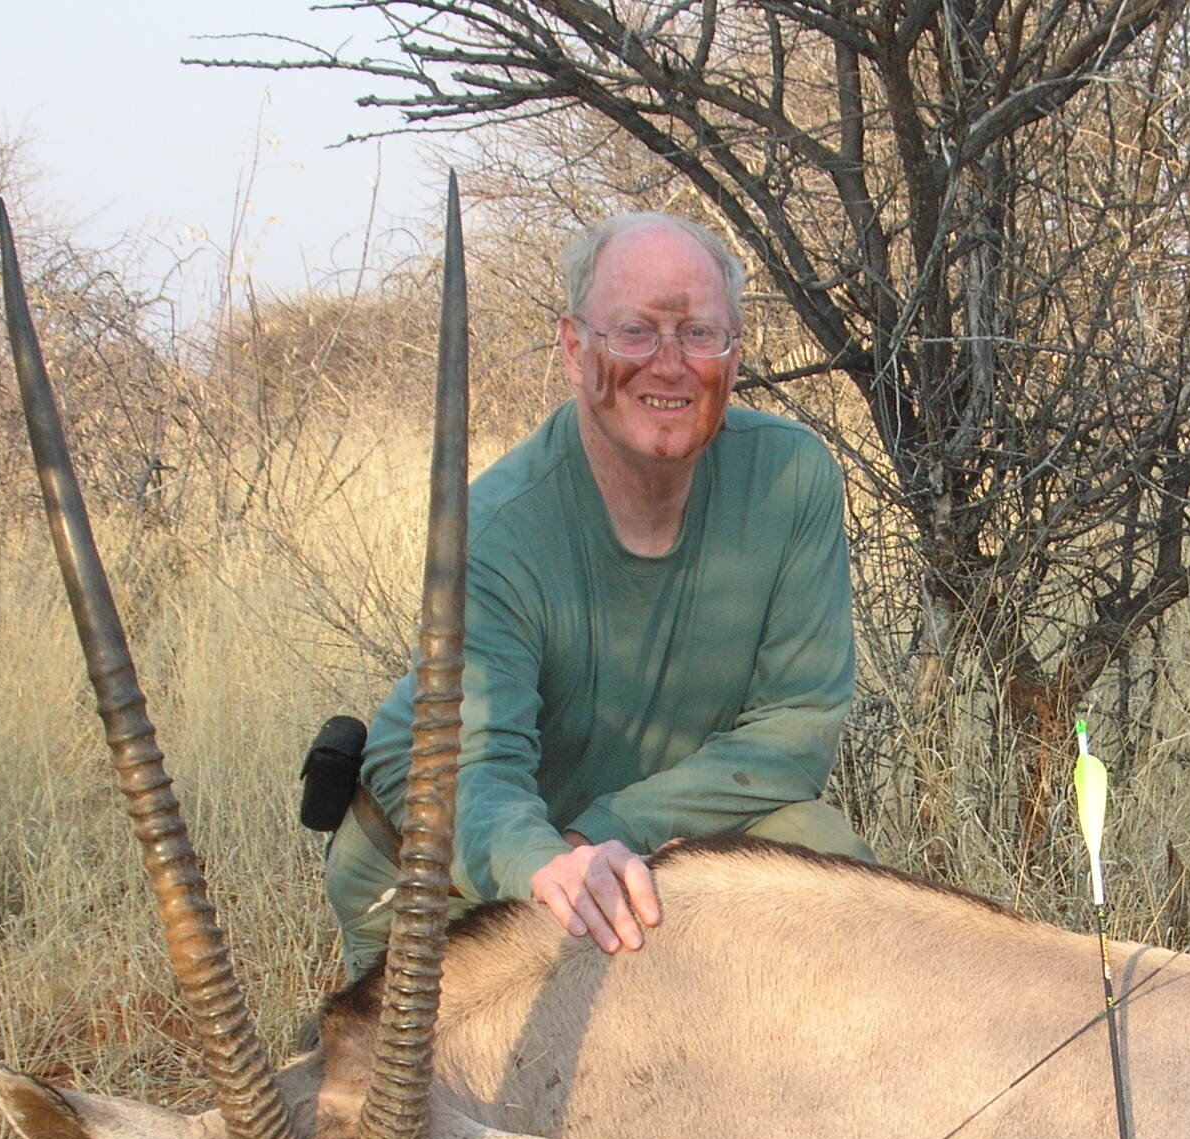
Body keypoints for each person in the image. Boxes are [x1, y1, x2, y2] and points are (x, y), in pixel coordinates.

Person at [326, 211, 873, 978]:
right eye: (635, 333)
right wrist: (558, 863)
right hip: (456, 869)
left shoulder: (793, 478)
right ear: (574, 348)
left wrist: (618, 832)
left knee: (820, 848)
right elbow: (475, 773)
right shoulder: (496, 527)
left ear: (735, 354)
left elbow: (797, 727)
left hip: (626, 845)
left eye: (698, 334)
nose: (671, 364)